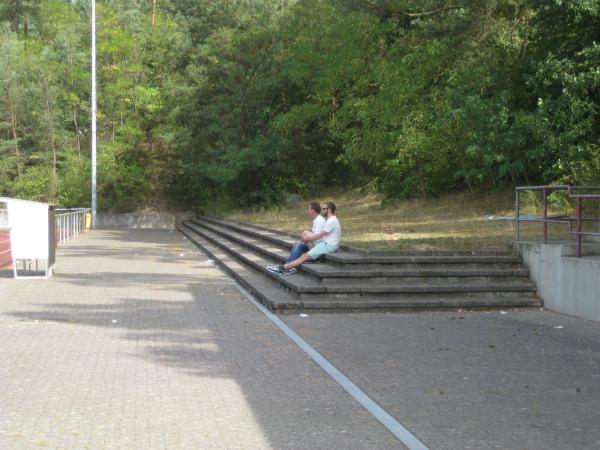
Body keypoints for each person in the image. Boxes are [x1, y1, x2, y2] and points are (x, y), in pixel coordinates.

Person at [269, 201, 341, 275]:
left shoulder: (331, 221)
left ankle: (283, 268)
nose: (322, 210)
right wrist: (305, 239)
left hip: (328, 245)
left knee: (304, 256)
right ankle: (285, 267)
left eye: (324, 208)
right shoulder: (331, 220)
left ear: (329, 209)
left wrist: (306, 239)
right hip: (326, 244)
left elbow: (319, 235)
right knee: (303, 249)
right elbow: (319, 235)